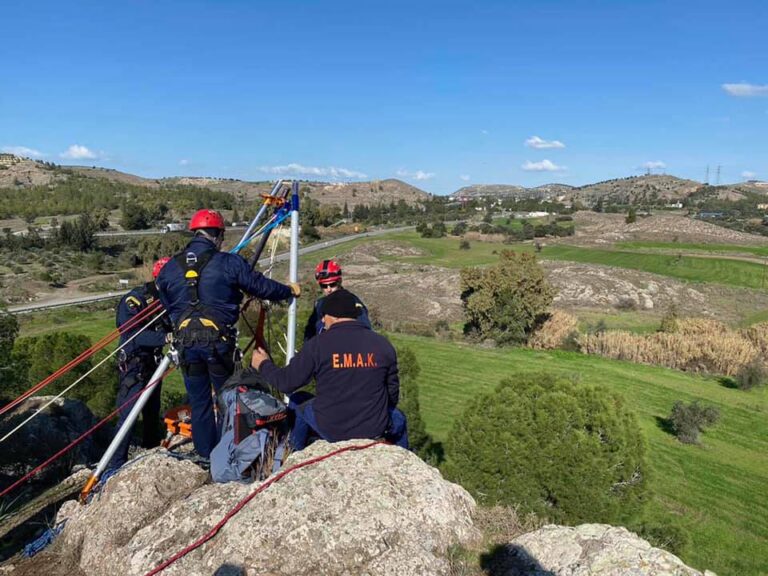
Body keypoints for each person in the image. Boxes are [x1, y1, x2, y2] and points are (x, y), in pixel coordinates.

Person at [156, 209, 300, 459]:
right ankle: (227, 454)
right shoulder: (227, 262)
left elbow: (168, 304)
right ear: (218, 235)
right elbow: (260, 286)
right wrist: (287, 291)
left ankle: (204, 455)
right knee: (227, 399)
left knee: (199, 402)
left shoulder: (169, 268)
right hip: (217, 344)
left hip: (186, 345)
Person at [252, 288, 408, 451]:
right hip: (373, 428)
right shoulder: (383, 344)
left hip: (331, 429)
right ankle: (404, 463)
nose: (323, 322)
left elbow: (286, 383)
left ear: (330, 316)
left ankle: (294, 452)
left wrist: (263, 364)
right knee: (399, 418)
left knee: (298, 400)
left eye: (323, 317)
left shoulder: (318, 345)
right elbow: (392, 394)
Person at [110, 257, 172, 469]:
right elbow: (131, 335)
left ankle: (150, 451)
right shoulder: (135, 300)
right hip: (134, 365)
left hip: (152, 364)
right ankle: (115, 464)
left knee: (152, 412)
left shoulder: (169, 300)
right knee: (129, 416)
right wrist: (165, 339)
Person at [303, 259, 371, 341]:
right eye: (324, 286)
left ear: (339, 282)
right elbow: (310, 332)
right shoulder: (320, 304)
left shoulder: (353, 302)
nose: (329, 289)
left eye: (332, 284)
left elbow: (365, 331)